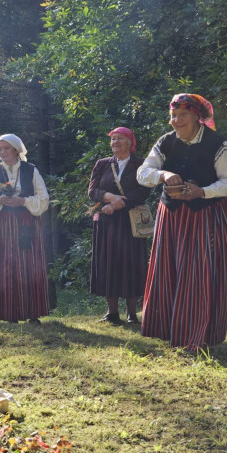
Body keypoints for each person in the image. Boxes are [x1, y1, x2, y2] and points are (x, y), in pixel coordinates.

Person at [137, 93, 227, 352]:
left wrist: (202, 191)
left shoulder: (217, 144)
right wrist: (164, 173)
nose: (176, 120)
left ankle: (197, 335)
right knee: (168, 270)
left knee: (199, 274)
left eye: (182, 115)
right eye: (173, 115)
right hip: (172, 216)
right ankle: (169, 330)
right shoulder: (165, 142)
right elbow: (143, 173)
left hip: (206, 216)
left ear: (196, 116)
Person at [0, 134, 50, 323]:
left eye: (6, 148)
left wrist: (23, 201)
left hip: (26, 224)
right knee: (4, 267)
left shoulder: (30, 170)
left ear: (16, 150)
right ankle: (9, 314)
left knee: (30, 266)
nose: (2, 152)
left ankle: (33, 313)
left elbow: (43, 199)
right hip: (2, 225)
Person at [88, 127, 150, 324]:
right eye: (113, 139)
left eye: (120, 139)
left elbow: (143, 191)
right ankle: (112, 313)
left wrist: (116, 204)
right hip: (106, 223)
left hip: (130, 222)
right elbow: (92, 191)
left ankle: (132, 314)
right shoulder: (102, 164)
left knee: (131, 264)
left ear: (130, 142)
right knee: (108, 264)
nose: (115, 142)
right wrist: (109, 197)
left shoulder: (141, 164)